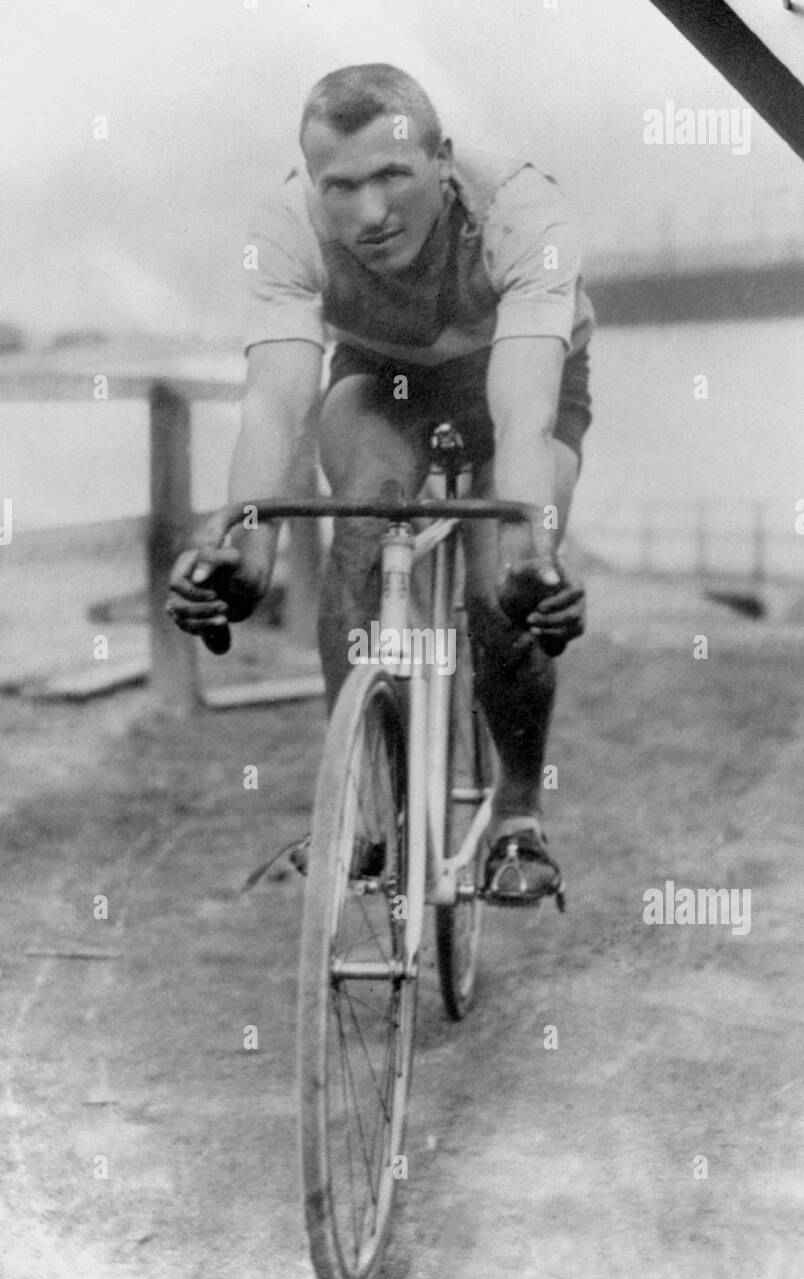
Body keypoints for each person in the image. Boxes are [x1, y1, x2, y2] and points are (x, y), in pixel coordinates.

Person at [168, 63, 594, 905]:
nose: (369, 214)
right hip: (387, 374)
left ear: (441, 158)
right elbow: (277, 403)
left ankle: (516, 814)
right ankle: (364, 811)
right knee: (359, 533)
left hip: (519, 377)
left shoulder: (523, 209)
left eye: (393, 175)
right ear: (312, 181)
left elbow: (522, 417)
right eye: (343, 186)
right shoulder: (285, 226)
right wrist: (244, 547)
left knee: (501, 588)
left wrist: (528, 543)